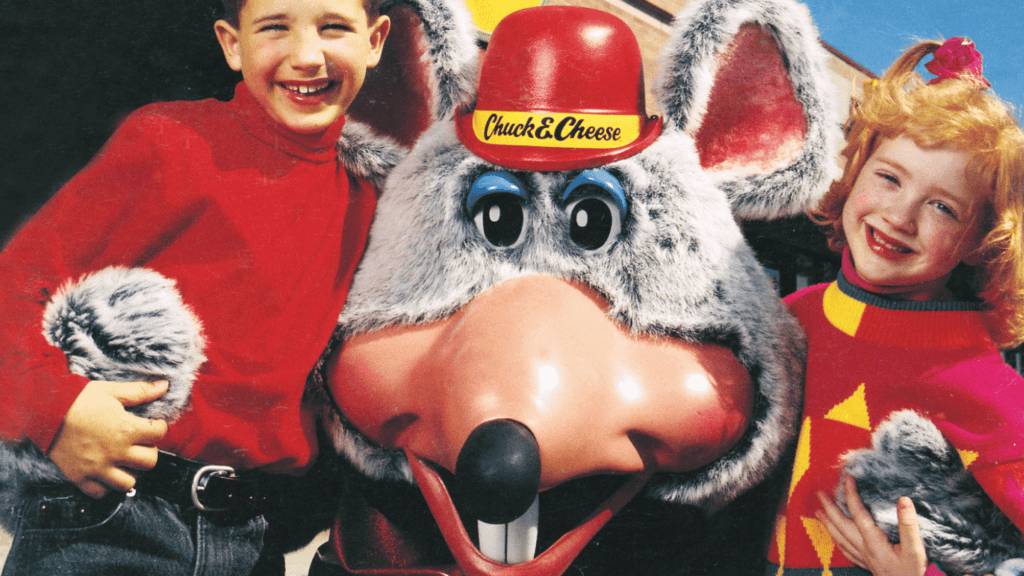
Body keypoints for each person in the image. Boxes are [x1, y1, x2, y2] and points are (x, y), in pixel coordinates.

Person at [0, 0, 390, 573]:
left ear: (375, 41)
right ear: (233, 45)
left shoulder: (372, 202)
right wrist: (56, 411)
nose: (307, 56)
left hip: (254, 541)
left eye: (334, 27)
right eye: (275, 28)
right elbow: (14, 284)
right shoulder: (171, 143)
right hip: (111, 521)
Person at [765, 37, 1024, 576]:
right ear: (856, 169)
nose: (901, 217)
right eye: (889, 177)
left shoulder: (981, 382)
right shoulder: (788, 318)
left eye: (942, 207)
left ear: (981, 240)